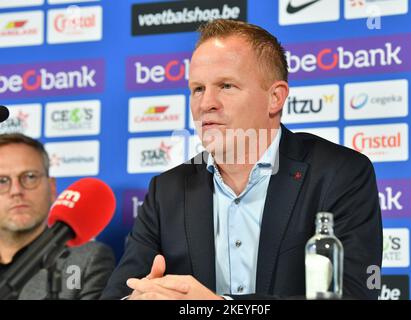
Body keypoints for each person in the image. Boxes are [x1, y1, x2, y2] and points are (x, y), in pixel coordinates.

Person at [101, 19, 382, 300]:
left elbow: (354, 294)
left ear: (275, 98)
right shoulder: (167, 190)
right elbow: (119, 293)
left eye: (226, 86)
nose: (205, 103)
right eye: (198, 88)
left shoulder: (340, 174)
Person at [0, 133, 115, 300]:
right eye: (2, 181)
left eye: (30, 177)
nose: (16, 190)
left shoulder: (87, 260)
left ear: (52, 187)